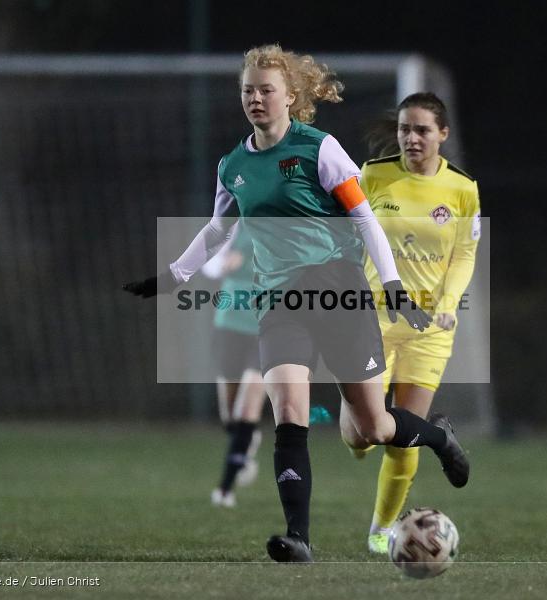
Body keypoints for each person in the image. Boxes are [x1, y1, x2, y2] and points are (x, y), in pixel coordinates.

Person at [123, 45, 468, 563]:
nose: (256, 99)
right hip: (278, 302)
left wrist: (392, 284)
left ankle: (437, 438)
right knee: (289, 412)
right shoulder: (233, 164)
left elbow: (364, 220)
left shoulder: (318, 148)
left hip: (340, 292)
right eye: (248, 90)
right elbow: (219, 230)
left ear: (291, 97)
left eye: (266, 90)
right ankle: (299, 537)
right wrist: (173, 277)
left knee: (373, 427)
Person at [348, 92, 482, 554]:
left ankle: (382, 531)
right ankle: (437, 436)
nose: (411, 137)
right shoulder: (374, 175)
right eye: (405, 128)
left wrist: (448, 302)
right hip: (372, 320)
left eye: (422, 129)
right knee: (361, 435)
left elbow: (465, 253)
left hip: (429, 328)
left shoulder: (463, 188)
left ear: (443, 134)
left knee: (400, 444)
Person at [200, 226, 266, 508]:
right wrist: (224, 263)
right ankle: (246, 438)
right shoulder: (236, 219)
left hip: (269, 326)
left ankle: (225, 490)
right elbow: (208, 262)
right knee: (230, 415)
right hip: (230, 323)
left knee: (247, 409)